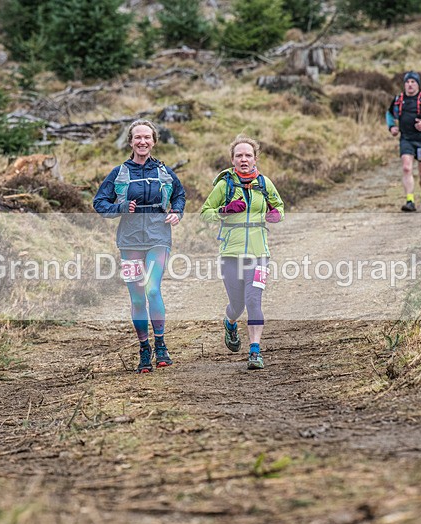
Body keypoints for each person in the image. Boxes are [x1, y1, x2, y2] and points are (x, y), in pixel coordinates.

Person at [93, 119, 185, 373]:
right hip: (130, 241)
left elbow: (179, 194)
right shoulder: (119, 172)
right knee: (136, 298)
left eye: (147, 137)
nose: (142, 142)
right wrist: (120, 208)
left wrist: (177, 211)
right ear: (131, 141)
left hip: (158, 238)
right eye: (137, 138)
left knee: (152, 289)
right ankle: (144, 349)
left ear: (154, 141)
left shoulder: (164, 171)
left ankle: (161, 344)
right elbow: (99, 203)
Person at [200, 134, 285, 370]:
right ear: (233, 159)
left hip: (259, 253)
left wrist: (276, 214)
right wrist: (224, 210)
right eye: (239, 155)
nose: (244, 159)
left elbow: (279, 206)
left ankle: (255, 352)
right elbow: (205, 213)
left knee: (253, 300)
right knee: (237, 305)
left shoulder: (264, 183)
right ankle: (230, 323)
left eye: (248, 155)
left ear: (255, 158)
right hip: (230, 254)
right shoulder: (224, 185)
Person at [385, 71, 421, 213]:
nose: (410, 85)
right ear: (404, 84)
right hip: (406, 139)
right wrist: (391, 126)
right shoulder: (398, 99)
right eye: (407, 82)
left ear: (417, 84)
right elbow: (389, 114)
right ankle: (409, 201)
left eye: (413, 82)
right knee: (406, 168)